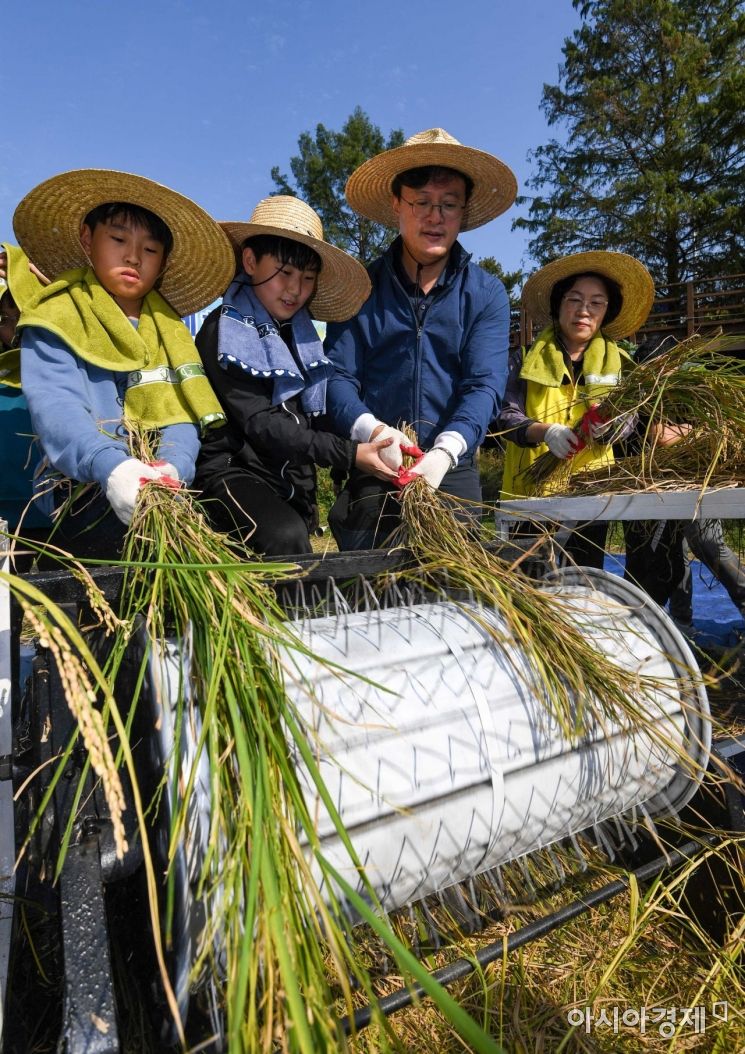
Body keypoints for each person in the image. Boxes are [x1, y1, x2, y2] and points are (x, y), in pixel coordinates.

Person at [13, 169, 235, 559]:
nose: (133, 256)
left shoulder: (169, 332)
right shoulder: (56, 317)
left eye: (149, 250)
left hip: (160, 484)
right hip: (80, 485)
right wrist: (113, 467)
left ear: (163, 262)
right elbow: (57, 408)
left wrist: (174, 467)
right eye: (118, 239)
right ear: (87, 239)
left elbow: (179, 412)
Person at [324, 128, 516, 550]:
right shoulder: (361, 288)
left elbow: (484, 384)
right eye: (422, 203)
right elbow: (336, 377)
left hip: (452, 466)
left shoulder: (485, 294)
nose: (436, 217)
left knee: (454, 596)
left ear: (463, 212)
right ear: (397, 204)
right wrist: (374, 431)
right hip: (376, 465)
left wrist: (446, 450)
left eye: (449, 205)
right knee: (369, 595)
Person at [193, 196, 400, 556]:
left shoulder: (302, 337)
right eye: (285, 273)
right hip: (230, 471)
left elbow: (315, 414)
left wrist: (374, 433)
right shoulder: (223, 332)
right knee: (285, 537)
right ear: (251, 261)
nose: (294, 290)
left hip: (285, 475)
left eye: (307, 278)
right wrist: (349, 453)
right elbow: (262, 423)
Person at [497, 251, 654, 567]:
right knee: (528, 588)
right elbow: (502, 414)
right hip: (529, 495)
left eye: (597, 303)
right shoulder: (523, 360)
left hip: (591, 495)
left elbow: (631, 417)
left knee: (580, 587)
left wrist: (613, 426)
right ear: (558, 305)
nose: (584, 311)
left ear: (606, 312)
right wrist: (546, 432)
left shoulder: (619, 366)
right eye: (574, 300)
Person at [0, 243, 53, 567]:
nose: (16, 326)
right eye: (5, 318)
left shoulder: (66, 368)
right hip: (5, 517)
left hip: (61, 516)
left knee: (65, 610)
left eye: (25, 312)